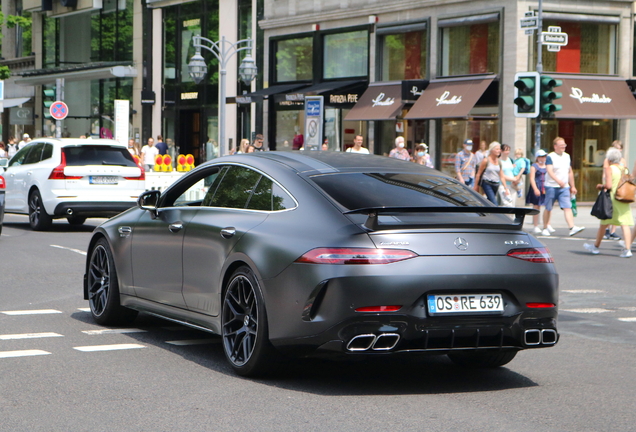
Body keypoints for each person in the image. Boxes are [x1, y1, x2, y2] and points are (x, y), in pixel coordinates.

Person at [584, 148, 632, 258]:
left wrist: (601, 186)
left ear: (609, 159)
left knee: (604, 223)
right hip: (623, 198)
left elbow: (609, 185)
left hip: (612, 199)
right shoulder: (624, 169)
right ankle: (627, 249)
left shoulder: (609, 169)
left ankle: (596, 246)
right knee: (625, 224)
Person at [542, 137, 584, 237]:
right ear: (555, 146)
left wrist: (572, 186)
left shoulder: (567, 156)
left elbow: (570, 172)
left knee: (567, 207)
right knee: (548, 207)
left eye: (564, 145)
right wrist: (558, 180)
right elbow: (549, 170)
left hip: (564, 187)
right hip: (551, 186)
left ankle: (572, 227)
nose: (563, 146)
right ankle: (545, 227)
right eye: (561, 145)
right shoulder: (550, 157)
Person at [601, 140, 626, 240]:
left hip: (619, 187)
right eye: (616, 148)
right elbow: (605, 173)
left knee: (617, 212)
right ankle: (606, 230)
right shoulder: (608, 160)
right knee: (609, 209)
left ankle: (613, 231)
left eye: (619, 148)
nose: (618, 150)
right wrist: (604, 185)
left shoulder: (622, 160)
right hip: (610, 185)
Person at [526, 149, 548, 234]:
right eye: (541, 157)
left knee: (547, 206)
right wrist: (535, 189)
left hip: (545, 187)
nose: (543, 158)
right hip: (537, 186)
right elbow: (532, 178)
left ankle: (547, 225)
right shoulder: (534, 166)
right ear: (537, 157)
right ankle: (535, 225)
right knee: (536, 206)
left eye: (544, 156)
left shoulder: (547, 166)